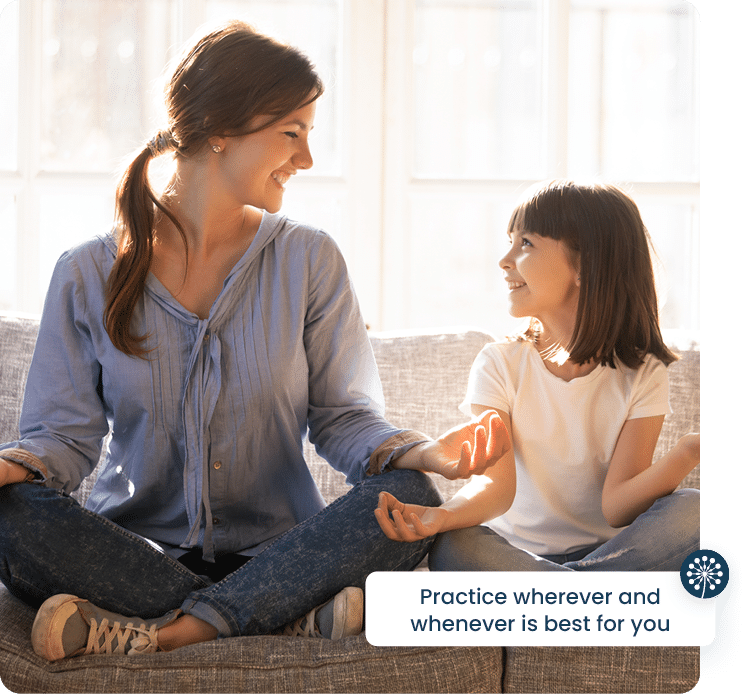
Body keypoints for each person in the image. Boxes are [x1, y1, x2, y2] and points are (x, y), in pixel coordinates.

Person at [0, 20, 509, 661]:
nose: (306, 160)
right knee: (12, 512)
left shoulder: (309, 260)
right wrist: (10, 470)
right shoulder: (85, 273)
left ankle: (168, 629)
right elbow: (64, 440)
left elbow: (342, 417)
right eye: (291, 134)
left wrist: (427, 455)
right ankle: (281, 613)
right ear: (219, 129)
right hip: (132, 552)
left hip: (285, 547)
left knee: (407, 498)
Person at [375, 179, 700, 572]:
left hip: (607, 554)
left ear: (584, 265)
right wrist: (442, 517)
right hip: (517, 557)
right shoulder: (500, 364)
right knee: (455, 545)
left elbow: (617, 508)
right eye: (510, 241)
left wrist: (690, 451)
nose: (505, 260)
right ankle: (591, 601)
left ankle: (552, 600)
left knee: (694, 509)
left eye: (525, 243)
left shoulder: (643, 373)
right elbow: (497, 487)